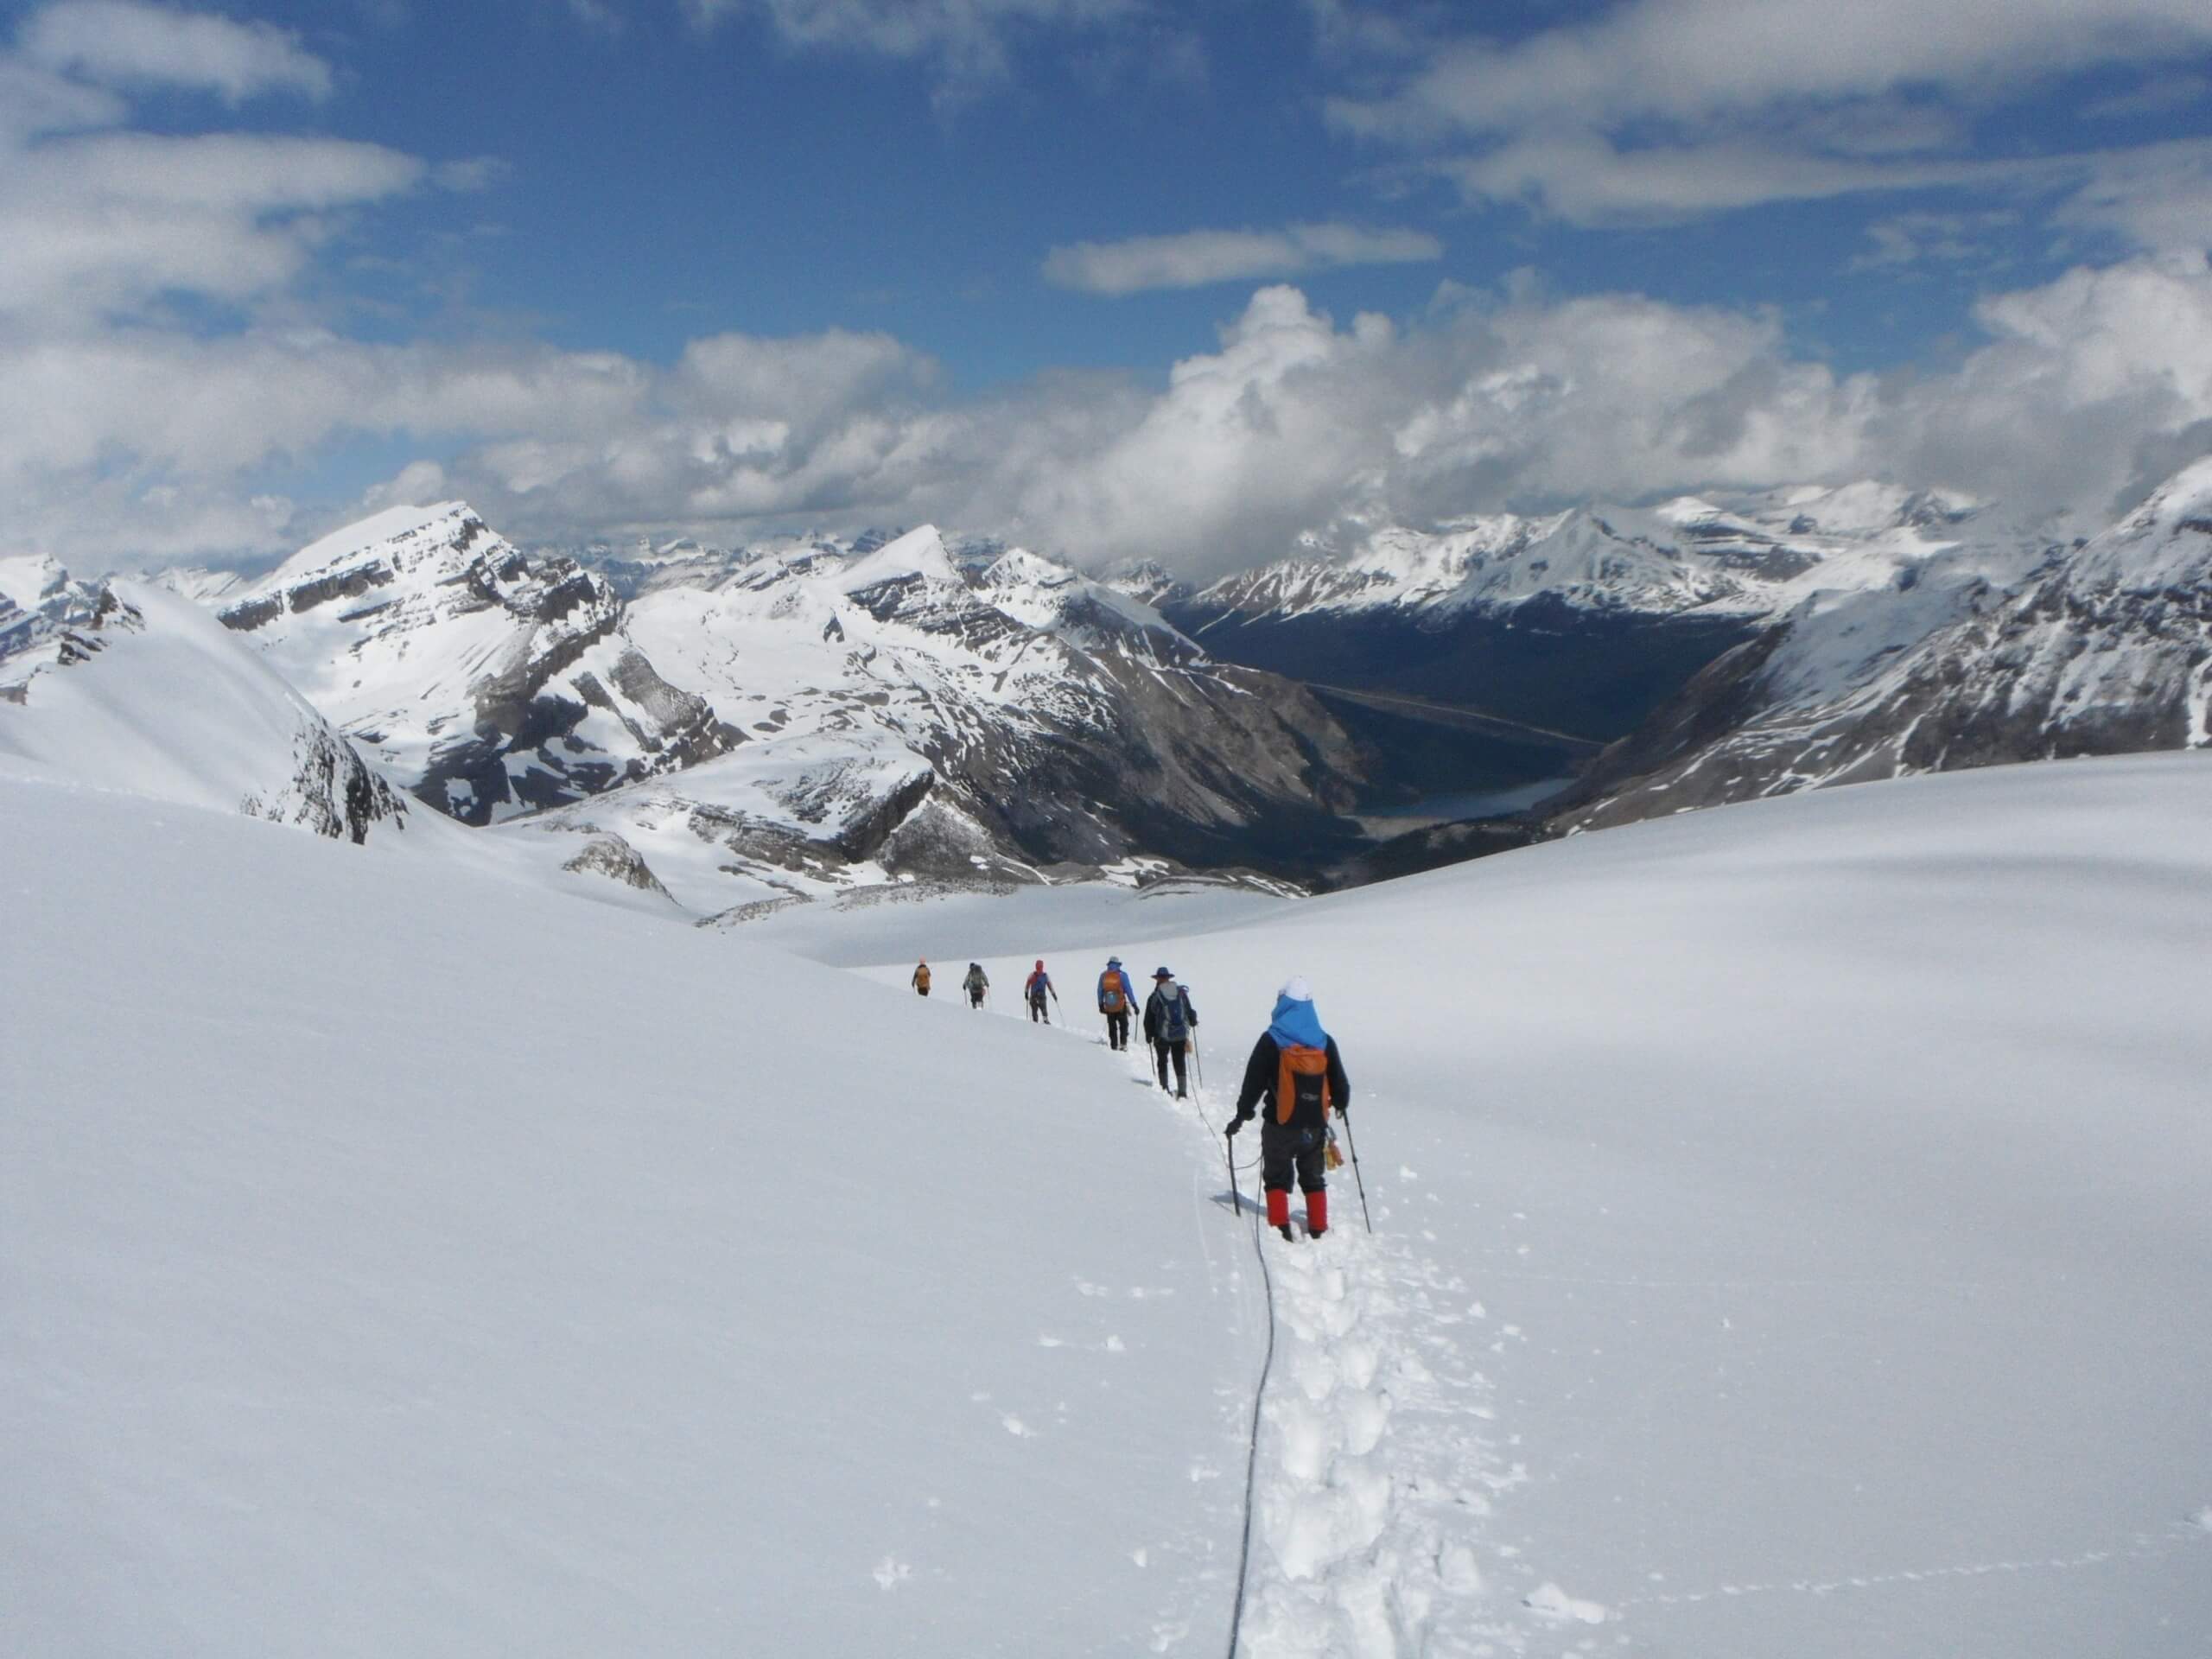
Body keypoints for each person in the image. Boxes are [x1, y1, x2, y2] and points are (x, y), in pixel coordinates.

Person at [1225, 976, 1351, 1242]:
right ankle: (1318, 1226)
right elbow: (1340, 1084)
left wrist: (1242, 1114)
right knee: (1313, 1176)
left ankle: (1279, 1224)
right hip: (1314, 1124)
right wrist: (1340, 1103)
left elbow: (1254, 1082)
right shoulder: (1323, 1040)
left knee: (1276, 1174)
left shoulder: (1272, 1039)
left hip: (1278, 1123)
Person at [1141, 967, 1198, 1098]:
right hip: (1180, 1034)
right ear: (1169, 978)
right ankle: (1182, 1091)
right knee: (1179, 1060)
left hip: (1161, 1035)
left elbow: (1149, 1017)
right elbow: (1189, 1011)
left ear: (1157, 979)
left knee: (1162, 1060)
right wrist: (1192, 1021)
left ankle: (1164, 1087)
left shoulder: (1155, 996)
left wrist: (1149, 1034)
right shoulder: (1181, 993)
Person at [1096, 956, 1138, 1051]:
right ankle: (1123, 1044)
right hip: (1121, 1005)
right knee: (1124, 1025)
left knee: (1112, 1026)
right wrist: (1134, 1004)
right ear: (1118, 965)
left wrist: (1100, 1004)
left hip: (1109, 1006)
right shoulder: (1123, 975)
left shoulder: (1103, 975)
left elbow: (1100, 991)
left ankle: (1114, 1045)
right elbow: (1129, 990)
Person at [1025, 960, 1058, 1024]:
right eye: (1038, 966)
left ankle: (1043, 1021)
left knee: (1042, 1011)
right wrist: (1026, 993)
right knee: (1037, 1011)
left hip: (1039, 997)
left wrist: (1054, 994)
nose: (1039, 968)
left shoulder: (1044, 976)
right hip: (1035, 997)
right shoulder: (1033, 975)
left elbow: (1050, 986)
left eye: (1040, 966)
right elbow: (1027, 985)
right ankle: (1040, 1022)